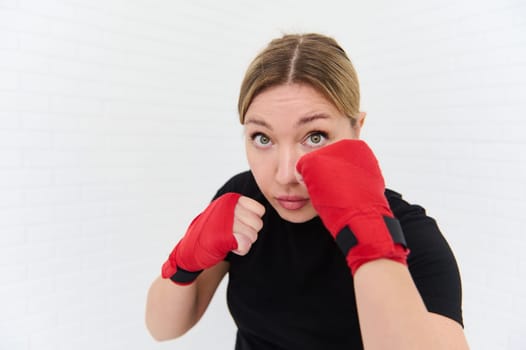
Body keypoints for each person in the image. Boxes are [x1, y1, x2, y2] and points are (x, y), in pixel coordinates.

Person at [145, 33, 470, 349]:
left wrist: (373, 243)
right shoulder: (243, 200)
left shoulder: (410, 234)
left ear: (357, 129)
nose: (286, 174)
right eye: (262, 138)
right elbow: (161, 328)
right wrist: (185, 257)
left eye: (315, 136)